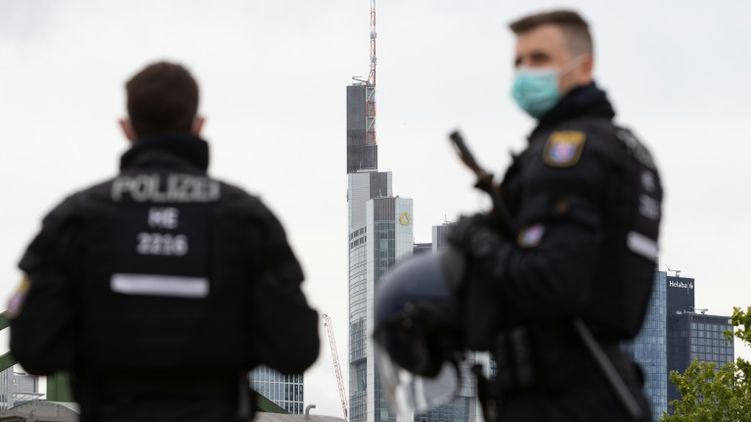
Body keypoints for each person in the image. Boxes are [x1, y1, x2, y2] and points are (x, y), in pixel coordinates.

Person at [374, 9, 662, 422]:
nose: (526, 72)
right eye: (519, 61)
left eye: (540, 58)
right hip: (599, 384)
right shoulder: (625, 150)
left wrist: (479, 241)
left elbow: (550, 280)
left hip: (556, 398)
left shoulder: (568, 154)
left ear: (584, 66)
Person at [8, 62, 319, 422]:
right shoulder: (248, 220)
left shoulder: (76, 220)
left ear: (127, 128)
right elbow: (296, 350)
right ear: (198, 125)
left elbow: (33, 350)